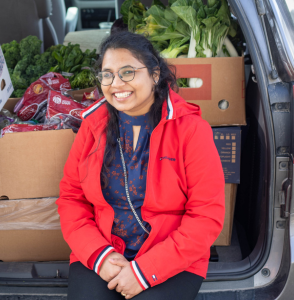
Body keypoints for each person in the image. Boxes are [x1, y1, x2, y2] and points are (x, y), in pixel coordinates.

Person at [56, 31, 225, 300]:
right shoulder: (92, 127)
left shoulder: (192, 130)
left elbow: (206, 216)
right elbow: (71, 199)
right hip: (102, 250)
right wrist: (101, 256)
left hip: (172, 257)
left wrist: (145, 272)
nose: (116, 83)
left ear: (155, 75)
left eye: (127, 72)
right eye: (107, 74)